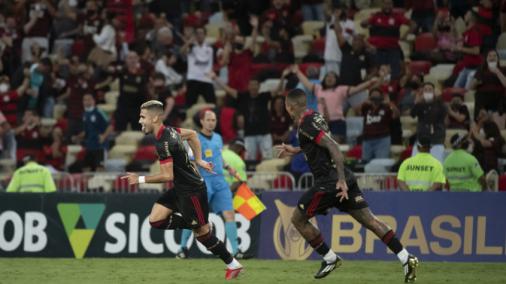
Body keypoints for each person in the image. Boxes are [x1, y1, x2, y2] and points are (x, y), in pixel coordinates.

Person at [275, 89, 419, 281]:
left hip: (330, 181)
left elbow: (334, 147)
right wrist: (297, 149)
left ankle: (329, 258)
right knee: (370, 220)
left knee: (297, 219)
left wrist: (340, 180)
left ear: (289, 106)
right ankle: (406, 257)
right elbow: (320, 143)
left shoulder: (306, 124)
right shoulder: (315, 117)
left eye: (286, 107)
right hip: (343, 178)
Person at [121, 100, 243, 280]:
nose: (140, 121)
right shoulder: (170, 131)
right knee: (155, 220)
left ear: (154, 118)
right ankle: (195, 223)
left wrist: (139, 178)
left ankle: (233, 264)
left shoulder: (164, 142)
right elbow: (193, 134)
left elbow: (167, 176)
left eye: (142, 117)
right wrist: (200, 160)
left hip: (192, 191)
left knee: (202, 235)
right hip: (181, 188)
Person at [177, 109, 240, 260]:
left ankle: (237, 251)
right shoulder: (194, 137)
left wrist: (229, 168)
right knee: (195, 218)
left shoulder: (218, 138)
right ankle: (182, 248)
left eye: (214, 120)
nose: (211, 122)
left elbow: (219, 156)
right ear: (202, 121)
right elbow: (191, 160)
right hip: (203, 181)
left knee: (229, 214)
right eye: (209, 120)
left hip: (220, 181)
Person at [294, 65, 378, 143]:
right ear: (324, 79)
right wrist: (297, 71)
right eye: (328, 76)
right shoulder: (318, 89)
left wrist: (369, 82)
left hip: (337, 123)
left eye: (332, 76)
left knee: (336, 143)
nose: (330, 78)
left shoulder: (340, 89)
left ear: (336, 79)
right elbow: (306, 83)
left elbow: (357, 89)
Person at [361, 0, 415, 79]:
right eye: (385, 3)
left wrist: (405, 36)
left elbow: (413, 24)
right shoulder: (376, 16)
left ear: (392, 5)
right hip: (377, 50)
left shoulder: (397, 16)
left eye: (389, 4)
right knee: (377, 74)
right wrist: (367, 23)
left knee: (394, 75)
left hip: (392, 49)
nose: (387, 6)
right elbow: (363, 24)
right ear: (382, 5)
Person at [410, 82, 447, 163]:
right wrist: (417, 103)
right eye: (425, 90)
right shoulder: (420, 104)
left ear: (434, 92)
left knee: (438, 164)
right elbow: (412, 114)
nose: (428, 91)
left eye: (430, 89)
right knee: (416, 164)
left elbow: (443, 113)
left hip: (436, 140)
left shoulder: (439, 104)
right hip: (421, 139)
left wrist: (438, 99)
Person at [70, 94, 108, 172]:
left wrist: (104, 136)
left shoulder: (99, 112)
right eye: (85, 100)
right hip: (89, 146)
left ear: (93, 101)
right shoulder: (85, 114)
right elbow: (86, 131)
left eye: (89, 99)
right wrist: (77, 137)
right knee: (86, 170)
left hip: (99, 147)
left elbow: (111, 125)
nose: (87, 102)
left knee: (99, 169)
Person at [360, 88, 399, 162]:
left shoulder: (386, 107)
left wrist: (389, 103)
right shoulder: (366, 107)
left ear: (381, 97)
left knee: (381, 163)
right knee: (365, 163)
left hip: (382, 140)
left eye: (377, 97)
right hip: (367, 139)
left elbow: (396, 115)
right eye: (373, 97)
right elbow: (357, 112)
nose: (375, 99)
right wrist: (365, 102)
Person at [182, 26, 216, 107]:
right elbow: (182, 52)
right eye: (197, 33)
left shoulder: (211, 48)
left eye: (201, 33)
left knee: (213, 105)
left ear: (205, 35)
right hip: (193, 79)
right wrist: (189, 41)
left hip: (207, 79)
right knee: (189, 106)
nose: (199, 35)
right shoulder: (191, 47)